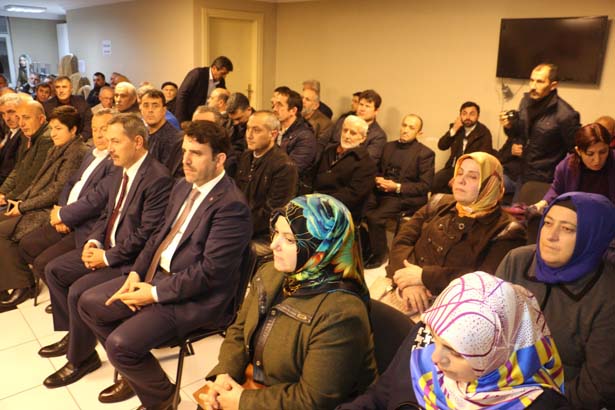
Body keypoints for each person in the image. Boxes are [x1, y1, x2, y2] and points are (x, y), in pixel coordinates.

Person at [77, 120, 252, 409]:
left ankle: (162, 400)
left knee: (121, 344)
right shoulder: (183, 186)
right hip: (158, 277)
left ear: (219, 159)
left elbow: (210, 273)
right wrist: (136, 273)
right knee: (88, 303)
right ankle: (138, 374)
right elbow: (158, 237)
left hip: (197, 297)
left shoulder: (232, 206)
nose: (186, 160)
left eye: (196, 153)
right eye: (185, 151)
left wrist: (154, 293)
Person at [197, 194, 377, 410]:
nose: (273, 245)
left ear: (321, 247)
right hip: (265, 388)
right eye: (276, 233)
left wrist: (243, 401)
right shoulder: (270, 272)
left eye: (290, 240)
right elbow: (239, 330)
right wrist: (225, 375)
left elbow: (313, 400)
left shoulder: (342, 313)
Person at [38, 113, 173, 388]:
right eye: (108, 141)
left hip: (130, 260)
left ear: (137, 142)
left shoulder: (157, 178)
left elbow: (147, 234)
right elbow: (106, 215)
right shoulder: (120, 169)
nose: (108, 147)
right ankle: (77, 336)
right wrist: (94, 243)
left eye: (115, 141)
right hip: (107, 247)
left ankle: (83, 358)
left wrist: (107, 257)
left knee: (79, 292)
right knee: (55, 270)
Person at [338, 271, 568, 410]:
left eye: (456, 353)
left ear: (497, 353)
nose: (435, 357)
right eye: (435, 339)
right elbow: (380, 397)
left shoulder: (535, 403)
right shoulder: (425, 337)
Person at [496, 192, 615, 409]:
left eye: (567, 229)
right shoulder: (517, 260)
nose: (550, 236)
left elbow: (596, 389)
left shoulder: (607, 294)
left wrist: (527, 404)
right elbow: (486, 332)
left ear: (592, 237)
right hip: (496, 387)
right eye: (548, 223)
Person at [387, 152, 525, 314]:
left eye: (472, 177)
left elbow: (486, 281)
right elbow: (402, 240)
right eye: (459, 173)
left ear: (490, 184)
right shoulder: (438, 201)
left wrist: (424, 277)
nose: (460, 180)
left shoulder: (508, 230)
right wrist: (408, 282)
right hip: (405, 288)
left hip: (456, 309)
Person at [18, 109, 116, 299]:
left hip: (83, 224)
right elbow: (71, 183)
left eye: (104, 129)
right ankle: (56, 294)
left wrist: (65, 216)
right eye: (95, 129)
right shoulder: (91, 153)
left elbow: (96, 201)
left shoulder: (113, 162)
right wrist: (60, 210)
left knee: (45, 264)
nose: (98, 134)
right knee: (27, 245)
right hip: (65, 215)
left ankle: (63, 298)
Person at [0, 106, 88, 309]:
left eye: (58, 128)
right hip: (35, 205)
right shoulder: (57, 148)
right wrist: (21, 201)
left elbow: (56, 191)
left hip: (48, 210)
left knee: (3, 232)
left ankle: (23, 285)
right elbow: (37, 182)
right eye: (52, 128)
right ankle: (6, 280)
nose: (53, 133)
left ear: (73, 130)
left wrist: (23, 206)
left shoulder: (76, 152)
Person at [499, 63, 580, 196]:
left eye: (540, 82)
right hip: (522, 173)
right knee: (516, 208)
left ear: (553, 85)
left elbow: (575, 151)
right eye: (532, 80)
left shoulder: (566, 115)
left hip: (545, 180)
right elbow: (521, 132)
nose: (533, 86)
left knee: (529, 210)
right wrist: (510, 127)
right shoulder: (525, 102)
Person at [364, 114, 434, 269]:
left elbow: (425, 185)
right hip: (381, 190)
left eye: (411, 127)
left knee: (375, 217)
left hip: (402, 195)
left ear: (419, 133)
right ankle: (367, 247)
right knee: (361, 208)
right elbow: (377, 169)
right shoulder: (389, 146)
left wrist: (396, 187)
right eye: (404, 125)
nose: (406, 130)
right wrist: (378, 179)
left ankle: (380, 254)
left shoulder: (425, 153)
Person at [235, 111, 298, 251]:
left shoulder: (284, 166)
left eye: (256, 130)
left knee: (228, 248)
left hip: (265, 235)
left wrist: (238, 228)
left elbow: (272, 212)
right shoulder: (245, 157)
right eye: (248, 128)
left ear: (273, 134)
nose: (249, 135)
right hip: (241, 224)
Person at [533, 123, 615, 212]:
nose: (597, 160)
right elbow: (556, 190)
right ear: (578, 151)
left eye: (603, 152)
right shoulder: (566, 166)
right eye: (590, 154)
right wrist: (543, 203)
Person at [313, 115, 376, 222]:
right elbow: (313, 176)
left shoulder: (366, 164)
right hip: (315, 201)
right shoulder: (329, 151)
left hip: (340, 211)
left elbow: (353, 195)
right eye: (345, 130)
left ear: (363, 138)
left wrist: (323, 201)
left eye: (353, 133)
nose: (347, 136)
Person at [432, 101, 493, 194]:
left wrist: (460, 176)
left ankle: (456, 203)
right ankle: (442, 203)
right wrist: (454, 129)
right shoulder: (456, 128)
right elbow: (442, 146)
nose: (467, 117)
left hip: (471, 171)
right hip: (452, 168)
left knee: (460, 187)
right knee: (435, 182)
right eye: (464, 113)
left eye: (472, 114)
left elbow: (483, 158)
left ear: (478, 116)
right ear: (460, 115)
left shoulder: (483, 132)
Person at [0, 100, 53, 205]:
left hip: (32, 199)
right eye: (19, 118)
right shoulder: (27, 135)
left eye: (26, 118)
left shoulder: (46, 138)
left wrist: (7, 198)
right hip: (18, 195)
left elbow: (33, 176)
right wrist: (2, 191)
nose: (21, 124)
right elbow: (17, 168)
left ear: (41, 119)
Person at [321, 89, 387, 163]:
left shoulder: (378, 136)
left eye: (367, 106)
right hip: (328, 160)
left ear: (376, 111)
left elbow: (368, 161)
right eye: (361, 104)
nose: (362, 109)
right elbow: (322, 141)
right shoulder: (343, 121)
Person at [271, 87, 316, 193]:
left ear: (293, 111)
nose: (274, 109)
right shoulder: (274, 130)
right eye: (273, 104)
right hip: (272, 185)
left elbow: (290, 171)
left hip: (292, 191)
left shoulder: (305, 137)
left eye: (279, 105)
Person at [139, 88, 183, 177]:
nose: (150, 110)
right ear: (140, 109)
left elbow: (165, 175)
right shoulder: (142, 134)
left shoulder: (174, 139)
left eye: (155, 106)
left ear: (164, 110)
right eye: (146, 105)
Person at [175, 56, 233, 123]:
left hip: (205, 117)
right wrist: (181, 120)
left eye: (226, 74)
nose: (224, 77)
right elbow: (182, 95)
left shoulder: (221, 81)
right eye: (222, 73)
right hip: (188, 116)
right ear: (214, 68)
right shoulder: (197, 74)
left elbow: (224, 96)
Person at [43, 76, 93, 140]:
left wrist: (80, 139)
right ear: (55, 90)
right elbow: (46, 129)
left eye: (64, 87)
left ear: (71, 89)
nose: (61, 91)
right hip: (56, 140)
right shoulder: (47, 106)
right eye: (58, 87)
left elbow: (89, 123)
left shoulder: (81, 101)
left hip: (80, 139)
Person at [0, 94, 24, 185]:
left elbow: (10, 171)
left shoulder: (24, 135)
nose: (7, 118)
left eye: (11, 112)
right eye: (3, 114)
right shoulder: (11, 131)